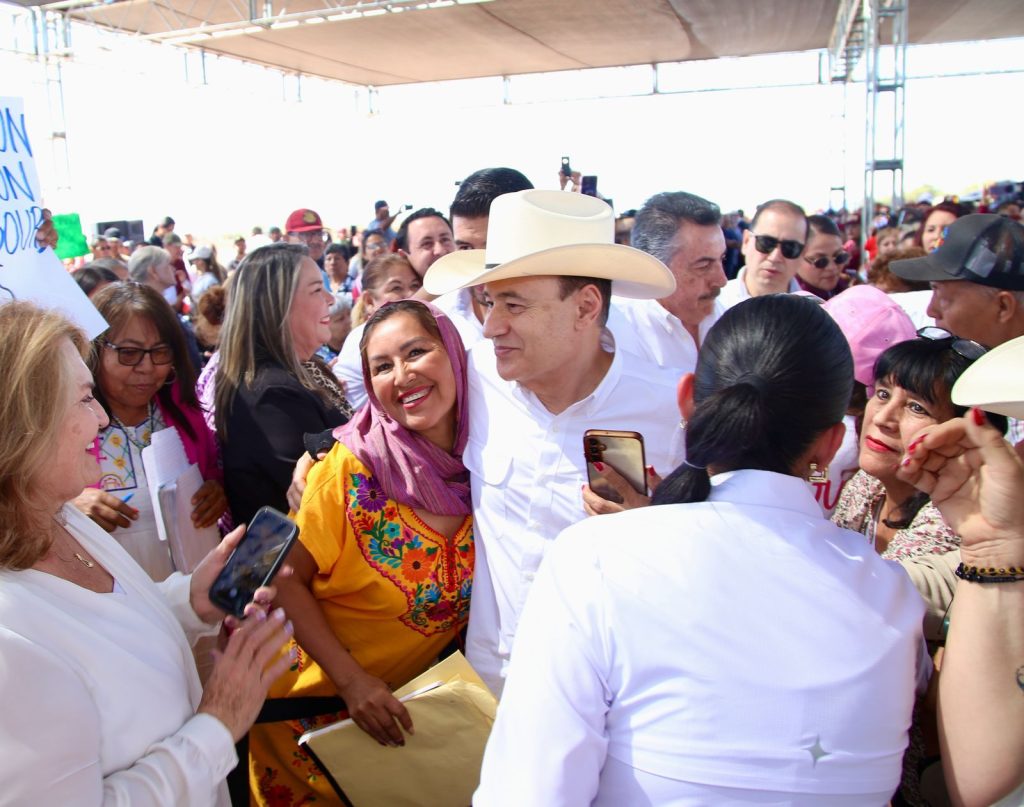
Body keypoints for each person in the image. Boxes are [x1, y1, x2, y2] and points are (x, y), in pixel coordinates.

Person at [475, 294, 928, 804]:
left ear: (687, 400)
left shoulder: (595, 560)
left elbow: (529, 791)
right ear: (831, 443)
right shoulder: (892, 594)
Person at [0, 300, 294, 806]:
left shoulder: (60, 517)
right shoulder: (9, 638)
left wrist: (191, 600)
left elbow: (110, 630)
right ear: (24, 422)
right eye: (85, 399)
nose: (101, 418)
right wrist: (218, 724)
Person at [424, 189, 685, 696]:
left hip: (608, 697)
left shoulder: (672, 413)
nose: (491, 326)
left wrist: (654, 528)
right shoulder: (474, 376)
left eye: (514, 305)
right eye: (489, 301)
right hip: (492, 691)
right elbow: (385, 428)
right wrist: (320, 454)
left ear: (585, 307)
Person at [248, 300, 473, 805]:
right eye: (382, 366)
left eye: (417, 352)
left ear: (455, 355)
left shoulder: (489, 462)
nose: (403, 375)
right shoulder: (348, 470)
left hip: (404, 718)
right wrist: (352, 682)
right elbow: (279, 575)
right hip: (308, 721)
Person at [72, 282, 227, 581]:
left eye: (160, 352)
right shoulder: (66, 423)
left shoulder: (185, 413)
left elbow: (212, 472)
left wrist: (216, 492)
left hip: (191, 583)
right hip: (109, 589)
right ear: (95, 349)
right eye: (129, 353)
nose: (147, 367)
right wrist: (68, 508)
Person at [216, 244, 351, 527]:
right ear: (277, 306)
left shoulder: (303, 368)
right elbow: (329, 496)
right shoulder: (270, 396)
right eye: (317, 290)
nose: (330, 299)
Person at [611, 190, 728, 374]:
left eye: (722, 259)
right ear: (653, 267)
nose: (721, 280)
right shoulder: (617, 334)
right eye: (703, 265)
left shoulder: (728, 318)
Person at [335, 253, 424, 409]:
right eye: (396, 288)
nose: (411, 294)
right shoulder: (368, 337)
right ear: (369, 301)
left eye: (415, 285)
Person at [719, 198, 807, 309]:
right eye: (766, 243)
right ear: (746, 242)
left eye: (790, 248)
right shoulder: (713, 305)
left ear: (803, 254)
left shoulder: (818, 313)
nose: (775, 257)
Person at [795, 214, 852, 300]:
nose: (832, 268)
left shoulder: (844, 290)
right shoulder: (789, 303)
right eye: (821, 261)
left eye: (839, 257)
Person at [315, 294, 352, 366]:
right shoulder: (318, 359)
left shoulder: (358, 344)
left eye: (349, 314)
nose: (349, 321)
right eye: (340, 319)